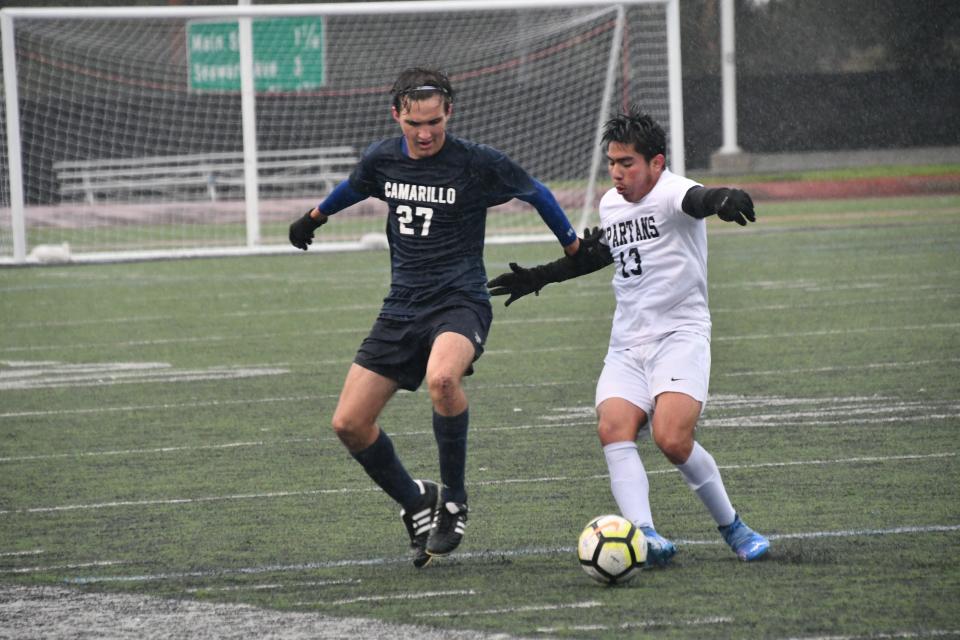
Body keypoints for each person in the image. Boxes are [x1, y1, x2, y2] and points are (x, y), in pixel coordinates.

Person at [288, 68, 582, 568]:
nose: (425, 133)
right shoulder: (382, 157)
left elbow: (536, 192)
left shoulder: (475, 162)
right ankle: (415, 500)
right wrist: (314, 217)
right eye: (414, 123)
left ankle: (453, 500)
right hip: (401, 307)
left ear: (449, 112)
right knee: (349, 424)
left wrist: (572, 245)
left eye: (434, 122)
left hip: (459, 300)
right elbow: (356, 186)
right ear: (396, 114)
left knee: (442, 380)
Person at [487, 105, 770, 563]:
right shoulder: (611, 203)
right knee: (613, 428)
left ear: (656, 163)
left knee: (671, 439)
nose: (617, 173)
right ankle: (645, 534)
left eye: (627, 163)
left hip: (680, 335)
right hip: (627, 343)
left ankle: (735, 529)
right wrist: (539, 277)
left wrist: (723, 198)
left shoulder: (674, 191)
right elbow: (602, 253)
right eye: (612, 163)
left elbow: (698, 199)